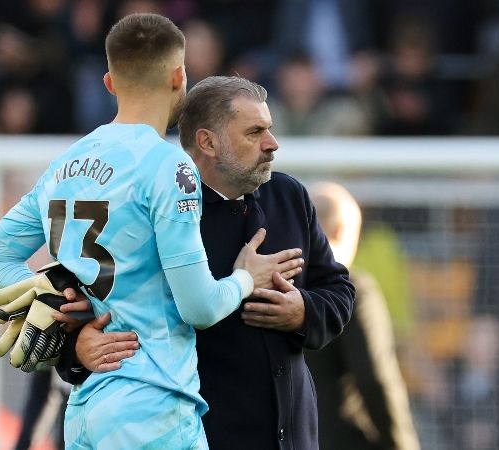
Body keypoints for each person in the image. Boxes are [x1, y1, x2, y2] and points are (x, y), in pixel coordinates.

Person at [0, 14, 303, 449]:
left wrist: (62, 304)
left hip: (86, 409)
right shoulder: (168, 166)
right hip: (154, 406)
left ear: (110, 83)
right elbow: (200, 307)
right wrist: (246, 278)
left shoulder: (64, 165)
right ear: (179, 76)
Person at [56, 76, 356, 450]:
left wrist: (303, 312)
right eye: (254, 132)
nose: (272, 143)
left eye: (270, 129)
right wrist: (76, 351)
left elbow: (339, 290)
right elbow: (73, 303)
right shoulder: (148, 210)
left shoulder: (289, 197)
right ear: (208, 142)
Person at [305, 181, 420, 450]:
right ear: (342, 231)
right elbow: (375, 379)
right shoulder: (354, 291)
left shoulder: (267, 285)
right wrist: (401, 444)